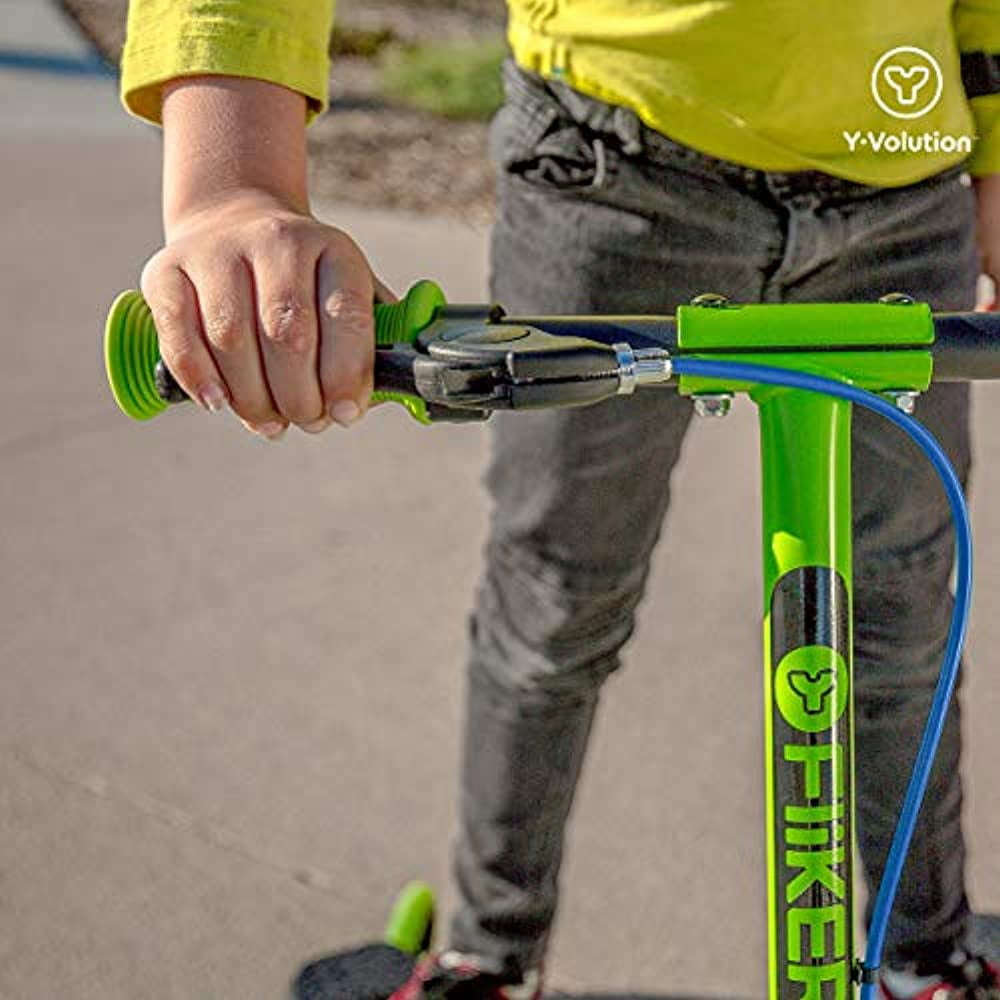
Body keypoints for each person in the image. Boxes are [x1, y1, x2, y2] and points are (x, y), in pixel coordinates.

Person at [120, 3, 1000, 998]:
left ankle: (924, 955)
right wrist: (235, 181)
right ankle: (490, 954)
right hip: (612, 170)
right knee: (556, 601)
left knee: (901, 612)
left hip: (905, 185)